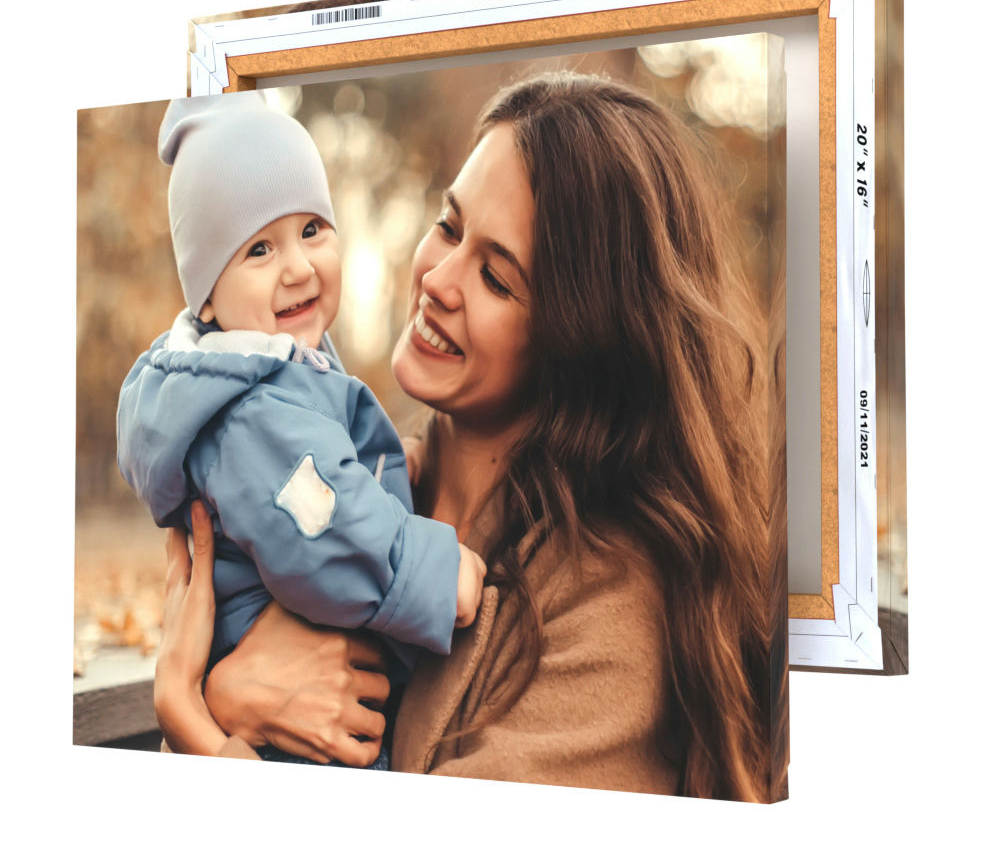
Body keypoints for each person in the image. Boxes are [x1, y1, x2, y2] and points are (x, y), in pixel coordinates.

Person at [153, 72, 788, 801]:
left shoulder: (607, 613)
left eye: (497, 278)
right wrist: (233, 698)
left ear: (580, 338)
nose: (438, 279)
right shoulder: (343, 488)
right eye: (449, 228)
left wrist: (199, 722)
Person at [117, 93, 486, 767]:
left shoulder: (279, 365)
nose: (297, 266)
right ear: (205, 294)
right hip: (289, 712)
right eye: (258, 248)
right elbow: (324, 527)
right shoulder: (250, 413)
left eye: (312, 229)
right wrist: (430, 572)